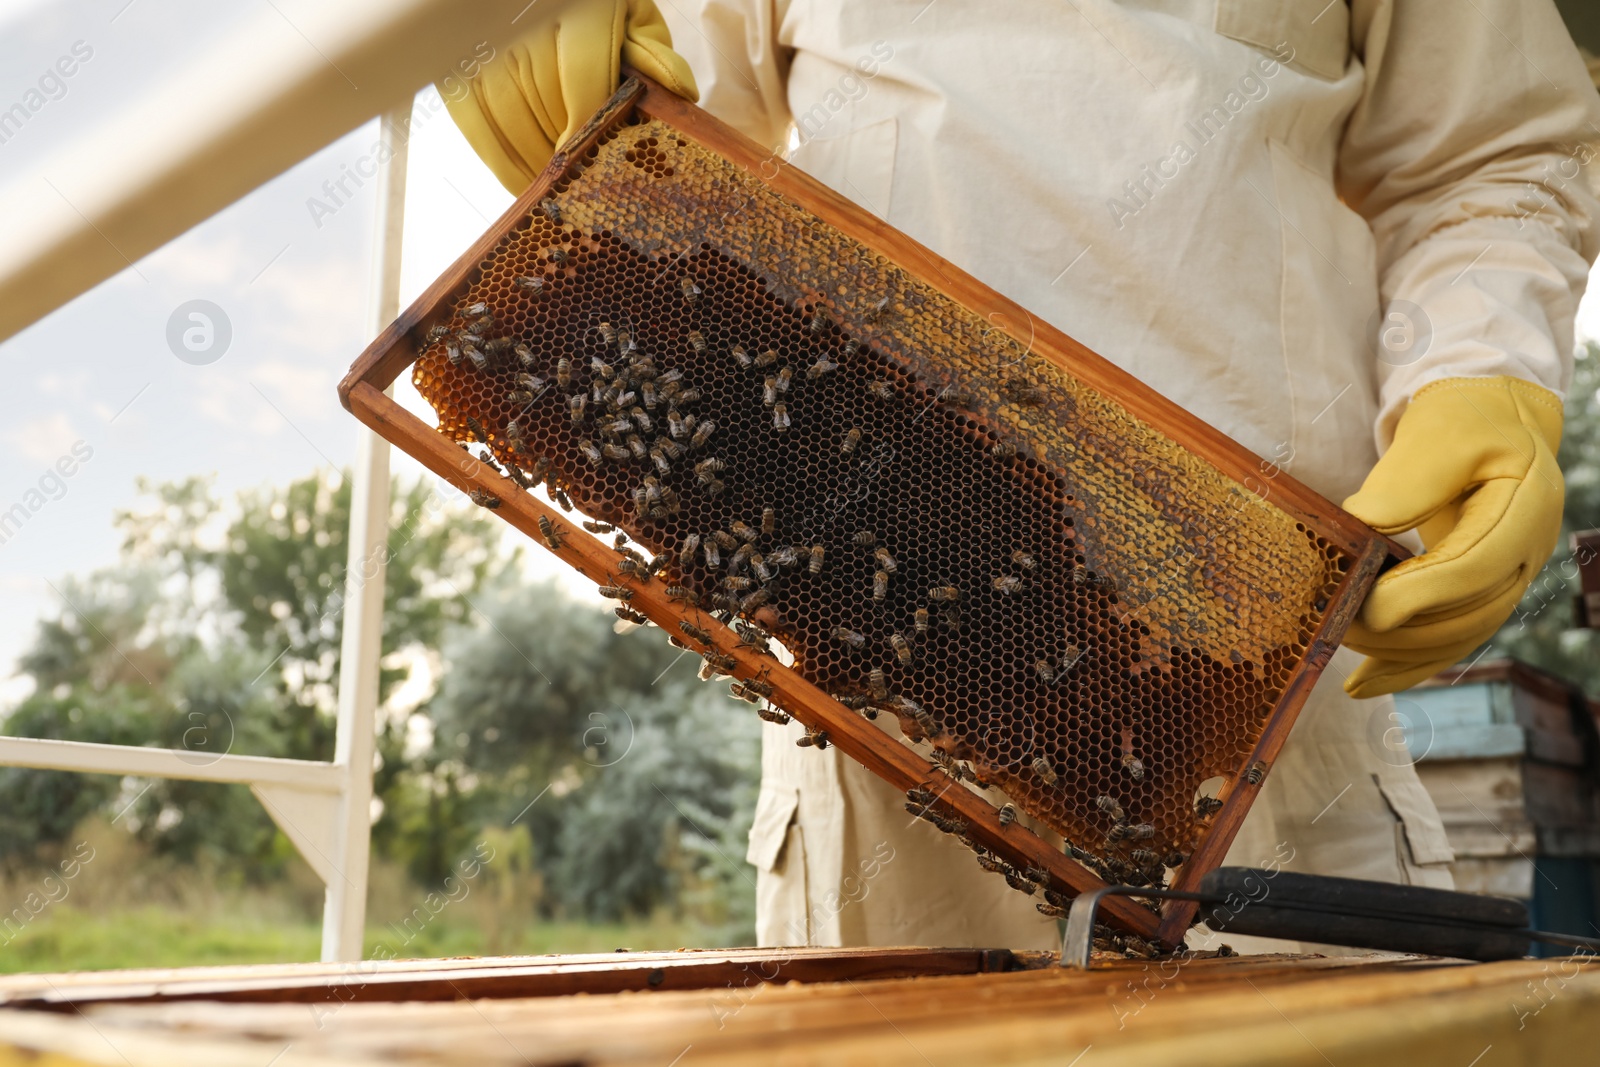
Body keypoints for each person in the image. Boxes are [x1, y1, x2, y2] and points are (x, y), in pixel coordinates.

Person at [446, 0, 1600, 950]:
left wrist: (1480, 366)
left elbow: (1494, 150)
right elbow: (668, 137)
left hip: (1257, 724)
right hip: (872, 736)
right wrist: (509, 33)